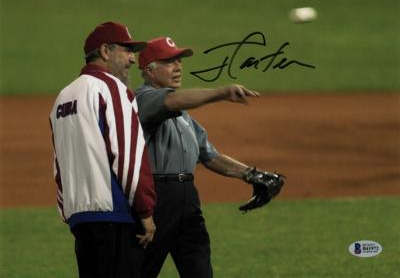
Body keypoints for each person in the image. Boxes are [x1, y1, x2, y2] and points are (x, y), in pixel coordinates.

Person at [135, 36, 275, 278]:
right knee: (141, 270)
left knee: (199, 271)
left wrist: (252, 175)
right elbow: (171, 101)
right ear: (149, 70)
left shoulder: (183, 116)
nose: (178, 66)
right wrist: (220, 92)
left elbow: (209, 155)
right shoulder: (142, 99)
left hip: (187, 199)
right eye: (169, 62)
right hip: (157, 198)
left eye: (179, 60)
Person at [49, 21, 157, 278]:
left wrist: (70, 212)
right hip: (115, 215)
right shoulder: (111, 89)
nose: (133, 59)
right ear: (106, 51)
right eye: (127, 50)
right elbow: (129, 157)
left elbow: (59, 162)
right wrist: (145, 210)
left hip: (81, 218)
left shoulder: (63, 97)